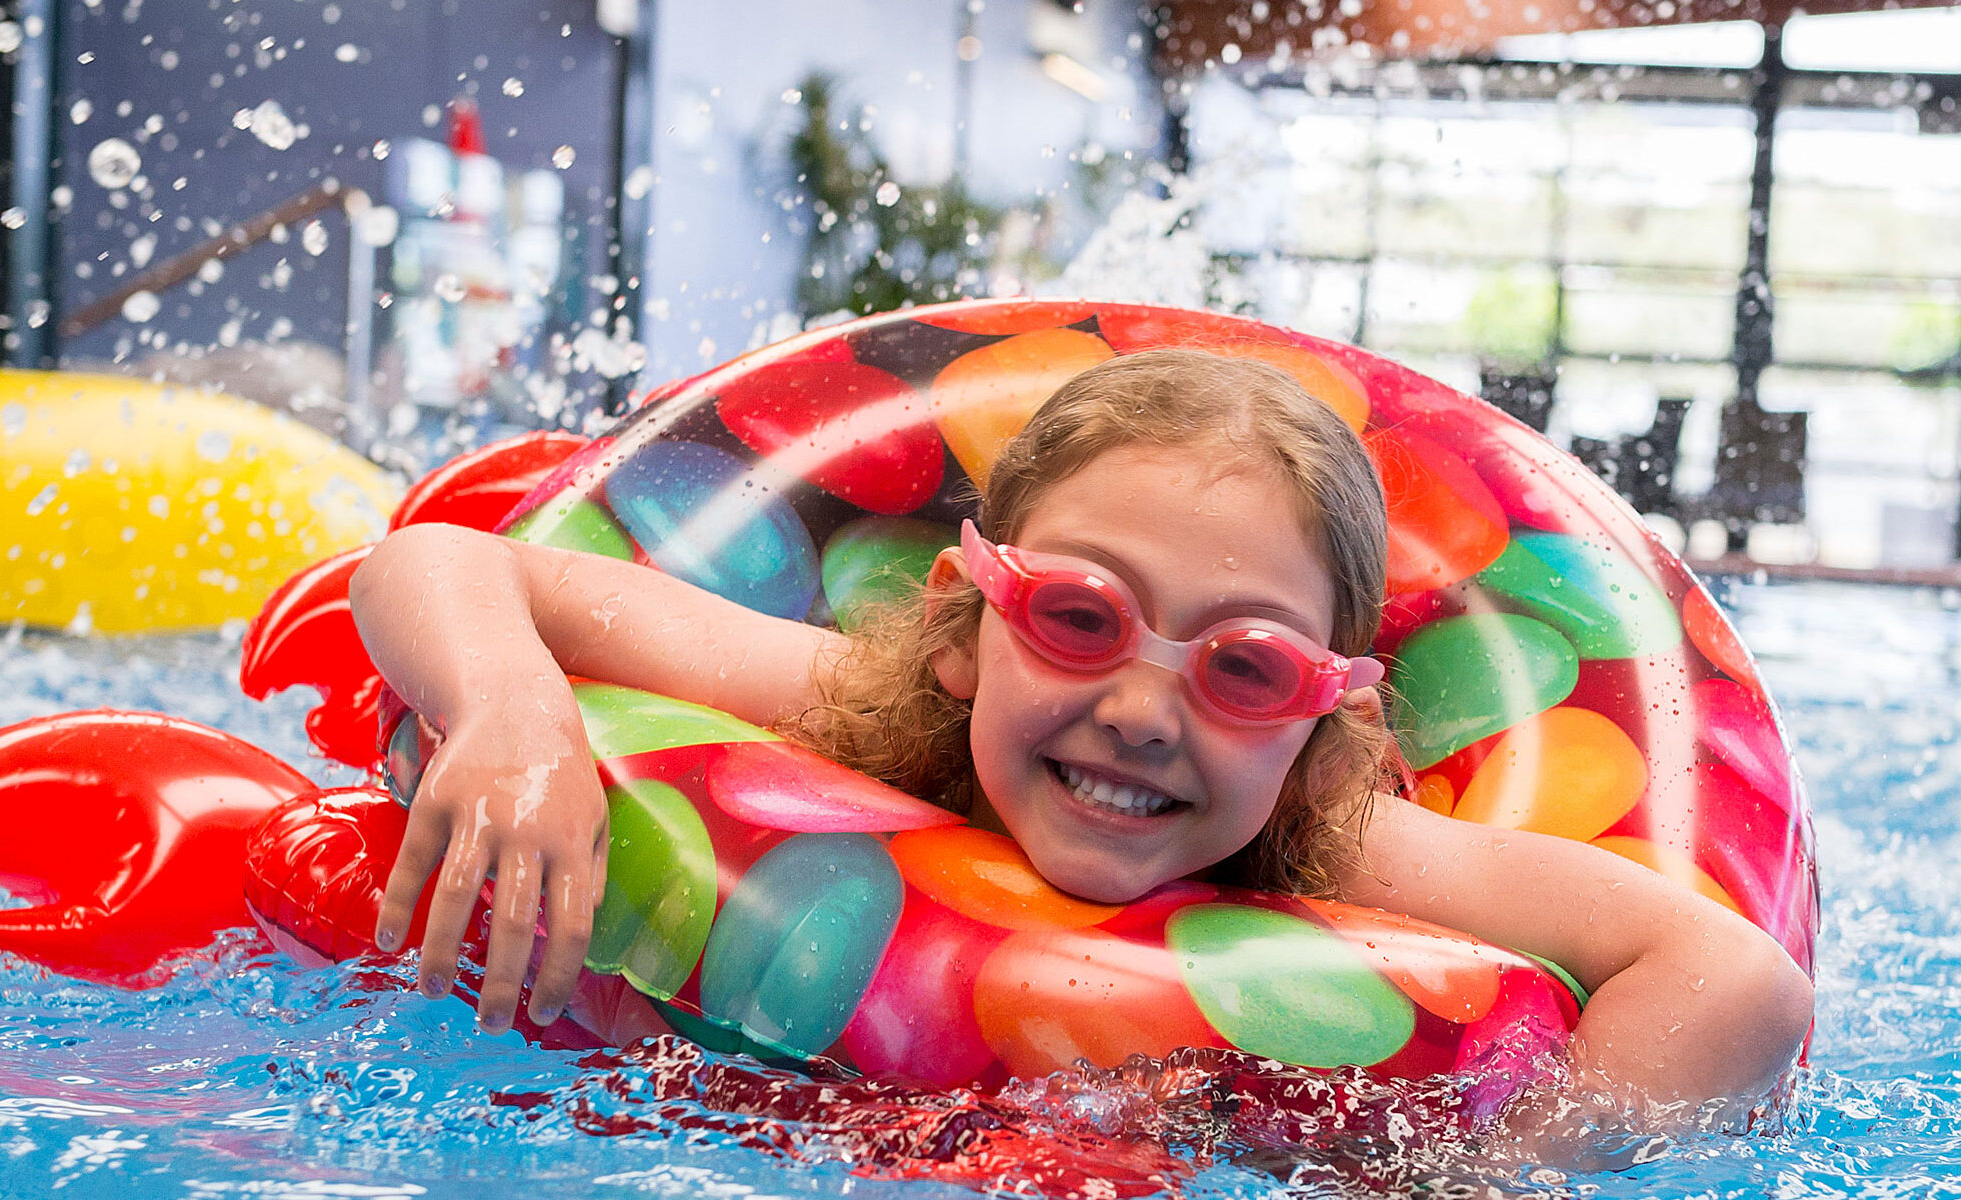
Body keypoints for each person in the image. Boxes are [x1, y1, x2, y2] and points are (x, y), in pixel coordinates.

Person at [349, 349, 1813, 1138]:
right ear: (958, 625)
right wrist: (516, 716)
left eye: (1245, 665)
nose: (1140, 711)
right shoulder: (868, 719)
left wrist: (1513, 1176)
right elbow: (447, 565)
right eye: (1077, 617)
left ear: (1326, 724)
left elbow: (1732, 974)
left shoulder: (1347, 843)